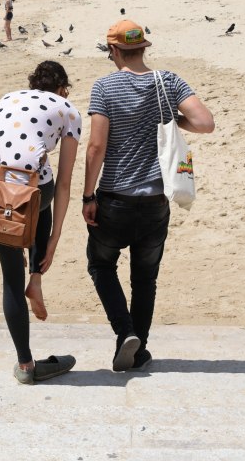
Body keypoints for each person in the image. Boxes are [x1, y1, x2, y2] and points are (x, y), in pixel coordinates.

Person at [82, 20, 215, 372]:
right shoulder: (168, 81)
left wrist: (87, 195)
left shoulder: (104, 88)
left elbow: (96, 146)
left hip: (115, 197)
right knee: (145, 279)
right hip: (156, 200)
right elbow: (205, 122)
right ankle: (138, 348)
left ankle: (125, 332)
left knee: (100, 264)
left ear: (113, 51)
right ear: (144, 48)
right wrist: (173, 120)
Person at [0, 61, 82, 384]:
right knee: (42, 188)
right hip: (35, 192)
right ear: (63, 87)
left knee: (10, 276)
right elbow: (64, 183)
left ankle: (25, 364)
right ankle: (35, 276)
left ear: (32, 84)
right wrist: (54, 238)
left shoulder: (7, 98)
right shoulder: (68, 110)